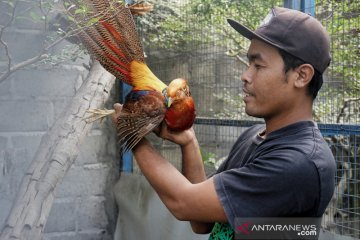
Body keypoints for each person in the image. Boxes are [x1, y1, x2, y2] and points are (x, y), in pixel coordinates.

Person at [112, 7, 336, 239]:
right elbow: (201, 221)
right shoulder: (253, 136)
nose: (245, 75)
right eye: (249, 63)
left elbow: (183, 203)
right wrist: (189, 143)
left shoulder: (301, 162)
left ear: (301, 76)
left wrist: (134, 136)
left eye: (258, 66)